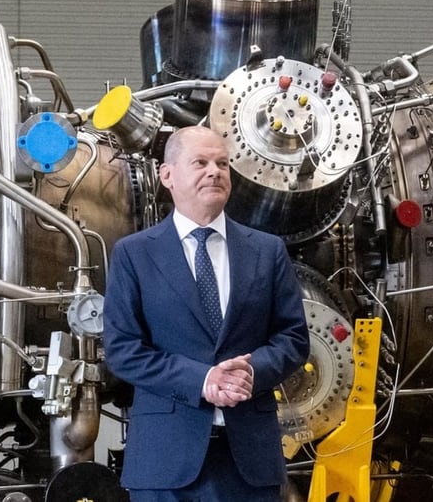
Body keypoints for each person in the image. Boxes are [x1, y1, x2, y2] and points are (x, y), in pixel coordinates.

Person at [103, 125, 309, 501]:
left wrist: (250, 372)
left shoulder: (267, 250)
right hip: (166, 461)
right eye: (200, 162)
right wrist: (204, 380)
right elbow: (123, 350)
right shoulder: (134, 254)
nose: (214, 171)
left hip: (249, 460)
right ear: (167, 175)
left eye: (222, 163)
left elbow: (293, 339)